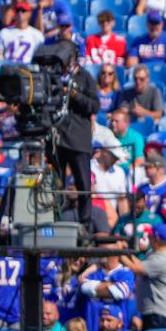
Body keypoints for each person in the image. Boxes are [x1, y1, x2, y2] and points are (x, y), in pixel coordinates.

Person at [50, 40, 100, 237]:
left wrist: (74, 95)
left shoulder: (85, 77)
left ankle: (85, 223)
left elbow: (94, 106)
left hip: (78, 138)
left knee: (83, 183)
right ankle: (55, 218)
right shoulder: (53, 75)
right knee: (55, 182)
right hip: (57, 137)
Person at [120, 223, 166, 330]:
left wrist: (118, 253)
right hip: (151, 310)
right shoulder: (154, 252)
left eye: (151, 235)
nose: (148, 236)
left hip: (158, 313)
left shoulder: (161, 259)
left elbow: (136, 268)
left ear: (157, 238)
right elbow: (139, 264)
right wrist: (126, 253)